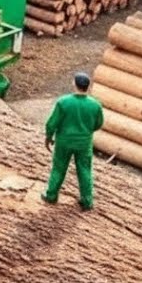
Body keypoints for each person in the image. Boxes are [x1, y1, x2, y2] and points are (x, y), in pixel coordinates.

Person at [43, 71, 104, 211]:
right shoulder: (95, 105)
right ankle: (87, 201)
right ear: (88, 87)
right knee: (84, 170)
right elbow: (99, 123)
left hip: (64, 141)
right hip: (84, 143)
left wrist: (48, 137)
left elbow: (51, 123)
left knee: (58, 168)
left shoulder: (63, 102)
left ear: (74, 84)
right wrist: (87, 131)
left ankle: (51, 195)